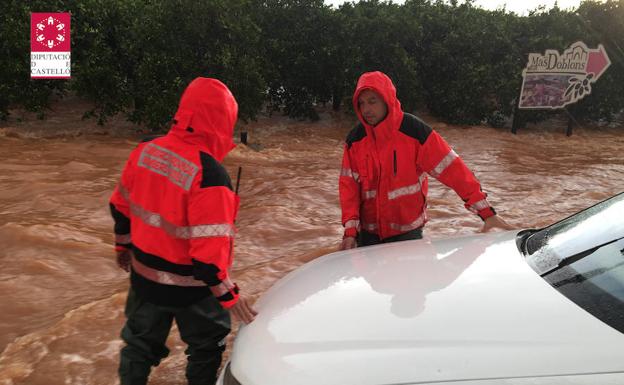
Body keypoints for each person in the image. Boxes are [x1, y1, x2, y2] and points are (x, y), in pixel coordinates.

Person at [109, 77, 257, 385]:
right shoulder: (211, 175)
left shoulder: (145, 151)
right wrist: (232, 298)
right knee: (206, 348)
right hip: (192, 292)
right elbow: (207, 261)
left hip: (144, 280)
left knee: (137, 346)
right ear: (223, 120)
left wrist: (122, 248)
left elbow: (119, 207)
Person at [339, 71, 511, 250]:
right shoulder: (355, 140)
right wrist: (350, 233)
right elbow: (348, 189)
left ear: (386, 99)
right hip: (369, 236)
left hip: (408, 234)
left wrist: (486, 213)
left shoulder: (414, 131)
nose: (366, 109)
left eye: (372, 101)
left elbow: (453, 170)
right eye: (362, 103)